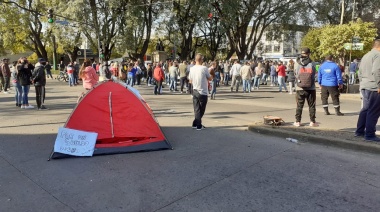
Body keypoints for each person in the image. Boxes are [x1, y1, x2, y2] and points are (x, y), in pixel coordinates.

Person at [355, 38, 380, 141]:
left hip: (365, 85)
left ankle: (359, 131)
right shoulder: (378, 55)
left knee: (365, 109)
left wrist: (363, 83)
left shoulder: (366, 55)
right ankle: (369, 135)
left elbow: (359, 72)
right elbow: (377, 71)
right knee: (373, 111)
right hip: (374, 87)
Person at [294, 47, 317, 127]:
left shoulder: (296, 63)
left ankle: (298, 121)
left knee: (299, 105)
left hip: (299, 88)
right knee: (312, 105)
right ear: (309, 54)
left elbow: (295, 74)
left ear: (301, 53)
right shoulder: (312, 63)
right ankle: (312, 122)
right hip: (311, 88)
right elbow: (314, 74)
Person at [188, 53, 213, 130]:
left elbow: (190, 80)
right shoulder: (204, 68)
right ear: (201, 60)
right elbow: (210, 78)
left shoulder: (192, 69)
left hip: (195, 90)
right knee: (201, 110)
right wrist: (212, 75)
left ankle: (195, 123)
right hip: (203, 91)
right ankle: (198, 125)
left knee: (196, 109)